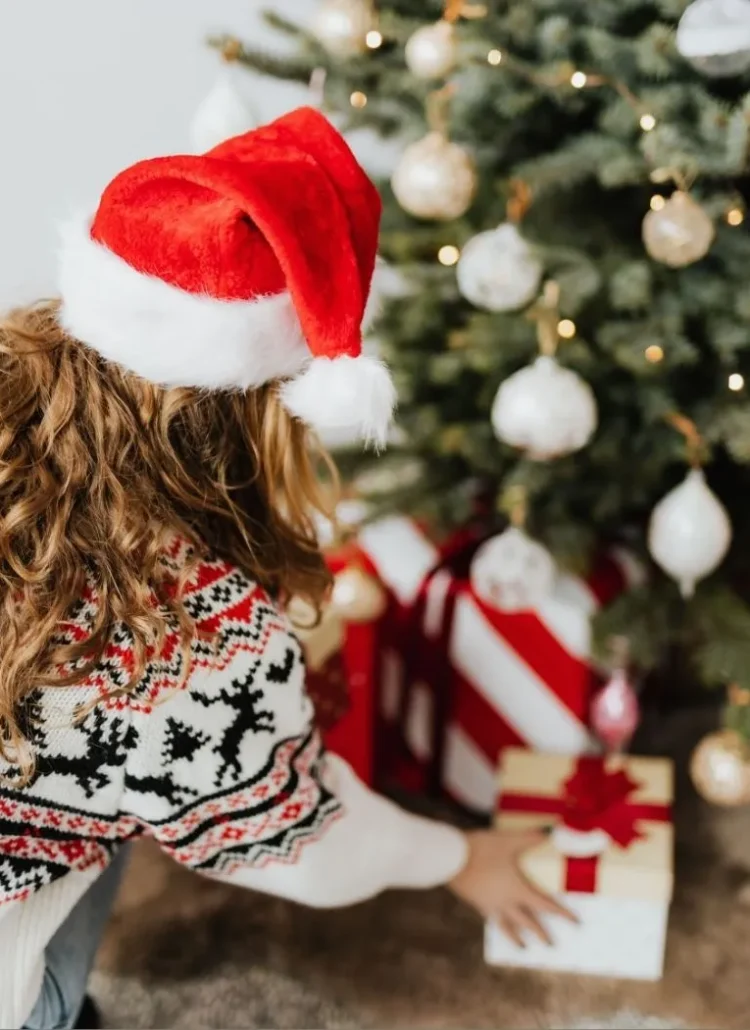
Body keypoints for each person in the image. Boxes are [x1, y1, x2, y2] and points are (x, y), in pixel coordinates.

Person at [0, 106, 574, 1030]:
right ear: (256, 407)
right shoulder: (179, 631)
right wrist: (463, 858)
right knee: (126, 794)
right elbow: (299, 846)